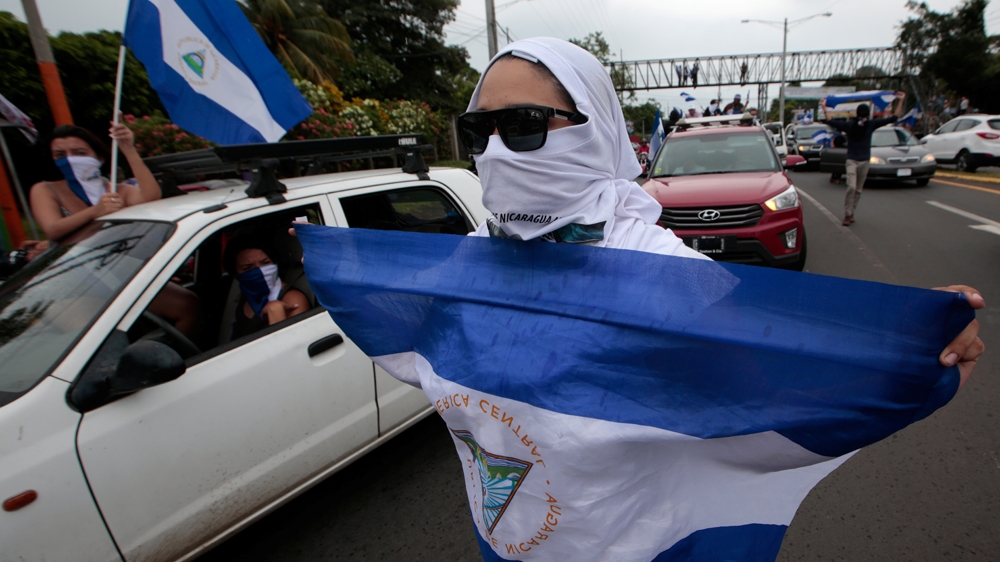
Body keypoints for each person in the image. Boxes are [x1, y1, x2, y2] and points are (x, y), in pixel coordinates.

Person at [436, 37, 985, 561]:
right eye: (479, 130)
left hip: (634, 544)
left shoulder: (670, 271)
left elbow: (764, 390)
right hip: (513, 540)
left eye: (524, 124)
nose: (497, 149)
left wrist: (906, 343)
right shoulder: (468, 258)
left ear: (594, 127)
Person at [30, 122, 161, 244]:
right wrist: (95, 211)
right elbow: (52, 230)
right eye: (60, 155)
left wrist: (128, 148)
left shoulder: (118, 191)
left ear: (100, 158)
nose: (70, 159)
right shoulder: (45, 190)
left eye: (80, 153)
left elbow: (150, 196)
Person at [824, 95, 905, 226]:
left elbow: (893, 118)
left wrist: (901, 100)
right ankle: (847, 214)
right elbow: (831, 121)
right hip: (852, 160)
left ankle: (851, 212)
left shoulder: (871, 125)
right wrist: (824, 107)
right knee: (851, 187)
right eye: (861, 113)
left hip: (865, 161)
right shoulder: (850, 126)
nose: (863, 116)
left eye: (864, 113)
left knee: (858, 190)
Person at [223, 235, 309, 340]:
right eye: (248, 268)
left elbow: (292, 345)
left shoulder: (292, 299)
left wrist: (276, 315)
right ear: (236, 274)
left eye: (265, 263)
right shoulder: (245, 296)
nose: (260, 271)